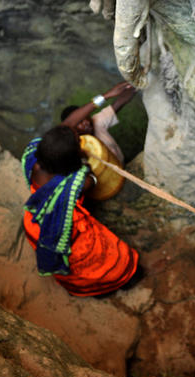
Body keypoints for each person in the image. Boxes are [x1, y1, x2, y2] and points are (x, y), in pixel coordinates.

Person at [20, 85, 140, 297]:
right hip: (63, 233)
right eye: (78, 146)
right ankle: (118, 281)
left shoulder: (34, 156)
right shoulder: (72, 186)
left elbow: (67, 126)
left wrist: (105, 96)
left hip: (34, 222)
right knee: (112, 262)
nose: (80, 140)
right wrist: (92, 173)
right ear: (70, 165)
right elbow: (91, 181)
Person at [60, 81, 137, 166]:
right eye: (80, 122)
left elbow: (119, 103)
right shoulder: (77, 148)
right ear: (73, 128)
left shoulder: (96, 121)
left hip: (123, 164)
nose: (86, 122)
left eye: (86, 117)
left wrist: (134, 85)